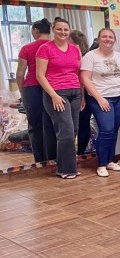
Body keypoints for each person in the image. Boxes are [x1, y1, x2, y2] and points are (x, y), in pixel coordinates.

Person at [80, 28, 120, 177]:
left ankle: (109, 161)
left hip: (119, 97)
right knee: (106, 129)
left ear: (114, 40)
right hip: (101, 98)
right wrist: (99, 98)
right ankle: (101, 164)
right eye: (104, 37)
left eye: (110, 37)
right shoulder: (90, 56)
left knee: (114, 130)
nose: (107, 39)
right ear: (99, 38)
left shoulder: (119, 56)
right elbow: (85, 78)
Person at [35, 18, 82, 179]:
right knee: (66, 132)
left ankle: (64, 167)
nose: (63, 32)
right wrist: (53, 95)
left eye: (65, 29)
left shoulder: (75, 49)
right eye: (59, 29)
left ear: (69, 31)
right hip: (56, 93)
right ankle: (67, 169)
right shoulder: (45, 48)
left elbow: (77, 73)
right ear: (53, 30)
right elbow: (40, 75)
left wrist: (82, 96)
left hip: (75, 92)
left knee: (72, 131)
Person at [16, 17, 56, 162]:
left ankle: (40, 161)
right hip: (53, 87)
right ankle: (53, 159)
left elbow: (20, 74)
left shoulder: (27, 48)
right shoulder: (55, 46)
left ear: (36, 30)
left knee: (35, 126)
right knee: (52, 124)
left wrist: (22, 92)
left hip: (32, 88)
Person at [69, 30, 92, 155]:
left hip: (81, 93)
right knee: (82, 123)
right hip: (80, 92)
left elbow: (82, 79)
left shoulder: (82, 58)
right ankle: (79, 152)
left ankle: (78, 152)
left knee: (80, 123)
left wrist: (82, 97)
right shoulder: (86, 56)